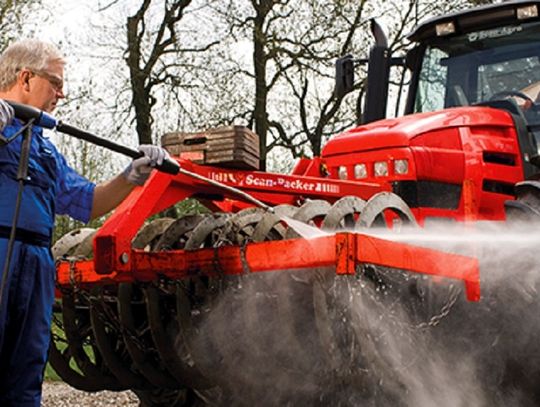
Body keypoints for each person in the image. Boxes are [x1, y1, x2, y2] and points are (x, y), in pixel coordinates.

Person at [0, 39, 171, 406]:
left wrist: (131, 175)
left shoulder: (45, 149)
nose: (62, 94)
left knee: (26, 370)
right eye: (56, 83)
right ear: (25, 78)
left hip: (37, 262)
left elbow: (88, 203)